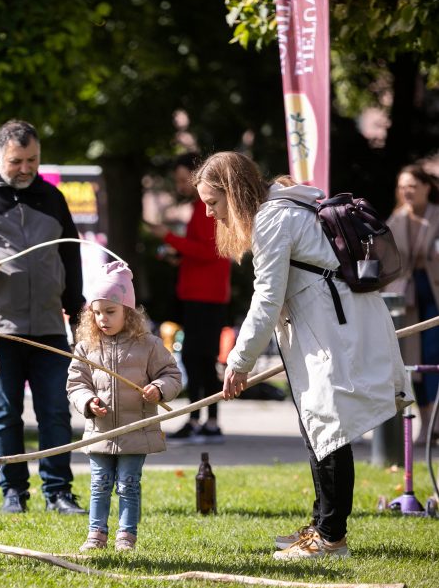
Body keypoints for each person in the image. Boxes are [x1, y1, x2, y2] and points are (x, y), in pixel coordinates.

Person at [199, 152, 406, 559]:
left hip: (335, 330)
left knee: (329, 429)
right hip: (334, 326)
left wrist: (238, 363)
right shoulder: (286, 204)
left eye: (213, 202)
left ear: (235, 193)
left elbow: (267, 299)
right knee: (319, 427)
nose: (209, 213)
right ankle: (321, 526)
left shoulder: (273, 218)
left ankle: (331, 538)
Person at [0, 119, 86, 514]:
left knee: (56, 411)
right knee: (6, 411)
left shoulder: (51, 197)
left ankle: (59, 491)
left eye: (33, 160)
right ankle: (13, 491)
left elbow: (70, 253)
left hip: (49, 326)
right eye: (17, 161)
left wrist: (76, 309)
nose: (26, 168)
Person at [66, 262, 182, 552]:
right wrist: (88, 403)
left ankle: (126, 536)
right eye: (96, 312)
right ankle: (96, 533)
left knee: (129, 483)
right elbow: (76, 384)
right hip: (100, 432)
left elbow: (172, 375)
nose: (102, 318)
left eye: (110, 311)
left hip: (135, 432)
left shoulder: (150, 345)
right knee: (99, 483)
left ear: (128, 311)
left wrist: (158, 389)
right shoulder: (86, 348)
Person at [147, 153, 232, 443]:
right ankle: (203, 421)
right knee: (198, 359)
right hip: (200, 294)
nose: (181, 185)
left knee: (201, 359)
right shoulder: (202, 207)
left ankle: (204, 422)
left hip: (206, 297)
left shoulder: (207, 208)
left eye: (184, 179)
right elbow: (201, 250)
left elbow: (210, 251)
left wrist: (168, 237)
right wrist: (179, 254)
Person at [385, 164, 439, 446]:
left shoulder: (437, 215)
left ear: (426, 187)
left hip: (434, 294)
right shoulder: (395, 219)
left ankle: (434, 422)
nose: (407, 191)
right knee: (414, 360)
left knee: (433, 354)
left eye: (413, 186)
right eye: (403, 186)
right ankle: (428, 421)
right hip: (408, 297)